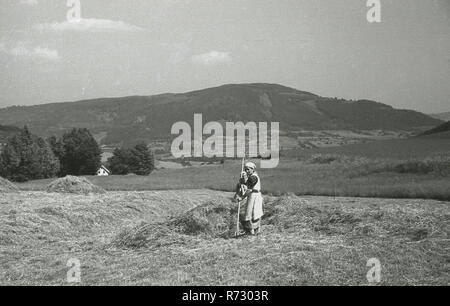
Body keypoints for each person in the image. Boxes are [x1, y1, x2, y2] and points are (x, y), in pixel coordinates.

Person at [234, 162, 264, 235]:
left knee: (254, 213)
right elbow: (245, 186)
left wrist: (241, 197)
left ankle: (255, 230)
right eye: (245, 169)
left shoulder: (254, 177)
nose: (246, 171)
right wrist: (242, 182)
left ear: (252, 169)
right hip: (252, 196)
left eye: (248, 169)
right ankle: (251, 231)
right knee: (249, 212)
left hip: (255, 196)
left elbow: (249, 189)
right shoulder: (250, 177)